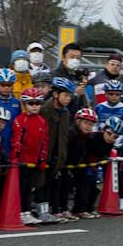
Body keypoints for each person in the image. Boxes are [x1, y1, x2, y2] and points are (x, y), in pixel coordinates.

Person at [11, 87, 49, 225]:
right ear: (24, 104)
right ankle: (20, 212)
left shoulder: (42, 121)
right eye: (31, 103)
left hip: (35, 162)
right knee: (21, 187)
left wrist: (42, 159)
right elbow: (16, 141)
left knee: (29, 188)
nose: (34, 106)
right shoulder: (20, 120)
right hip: (22, 162)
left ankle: (27, 211)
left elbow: (45, 141)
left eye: (37, 103)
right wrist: (16, 157)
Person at [39, 77, 75, 221]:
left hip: (57, 154)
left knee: (54, 183)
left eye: (70, 96)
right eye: (65, 95)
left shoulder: (66, 112)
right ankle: (42, 211)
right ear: (55, 94)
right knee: (41, 183)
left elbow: (64, 136)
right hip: (44, 153)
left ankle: (54, 210)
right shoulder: (45, 109)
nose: (68, 99)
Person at [67, 108, 99, 218]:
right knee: (63, 187)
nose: (88, 126)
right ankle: (60, 209)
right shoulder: (71, 133)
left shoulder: (90, 137)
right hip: (67, 164)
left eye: (91, 124)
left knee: (86, 184)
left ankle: (81, 209)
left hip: (80, 164)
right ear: (77, 121)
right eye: (85, 123)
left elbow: (90, 152)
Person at [51, 43, 89, 117]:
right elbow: (53, 100)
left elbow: (82, 101)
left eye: (77, 58)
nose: (74, 60)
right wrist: (74, 94)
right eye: (71, 57)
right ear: (63, 57)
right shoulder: (54, 76)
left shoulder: (78, 76)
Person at [0, 68, 22, 155]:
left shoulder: (16, 102)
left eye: (9, 85)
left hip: (11, 142)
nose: (6, 88)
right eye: (3, 85)